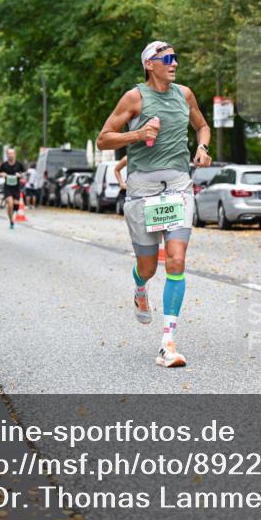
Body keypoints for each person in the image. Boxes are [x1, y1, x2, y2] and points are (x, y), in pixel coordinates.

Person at [96, 41, 211, 368]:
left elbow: (202, 126)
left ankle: (168, 343)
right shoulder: (135, 98)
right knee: (148, 267)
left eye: (175, 58)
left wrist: (202, 148)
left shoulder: (184, 94)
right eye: (167, 59)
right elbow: (104, 138)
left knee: (176, 260)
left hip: (177, 186)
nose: (174, 64)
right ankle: (139, 286)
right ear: (150, 64)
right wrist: (138, 134)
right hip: (143, 189)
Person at [0, 148, 25, 229]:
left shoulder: (19, 164)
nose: (11, 155)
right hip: (8, 187)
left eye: (12, 153)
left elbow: (25, 173)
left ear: (15, 154)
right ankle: (11, 221)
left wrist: (20, 175)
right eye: (9, 153)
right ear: (7, 155)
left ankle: (12, 215)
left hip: (16, 187)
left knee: (16, 205)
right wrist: (2, 174)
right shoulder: (4, 165)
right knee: (10, 204)